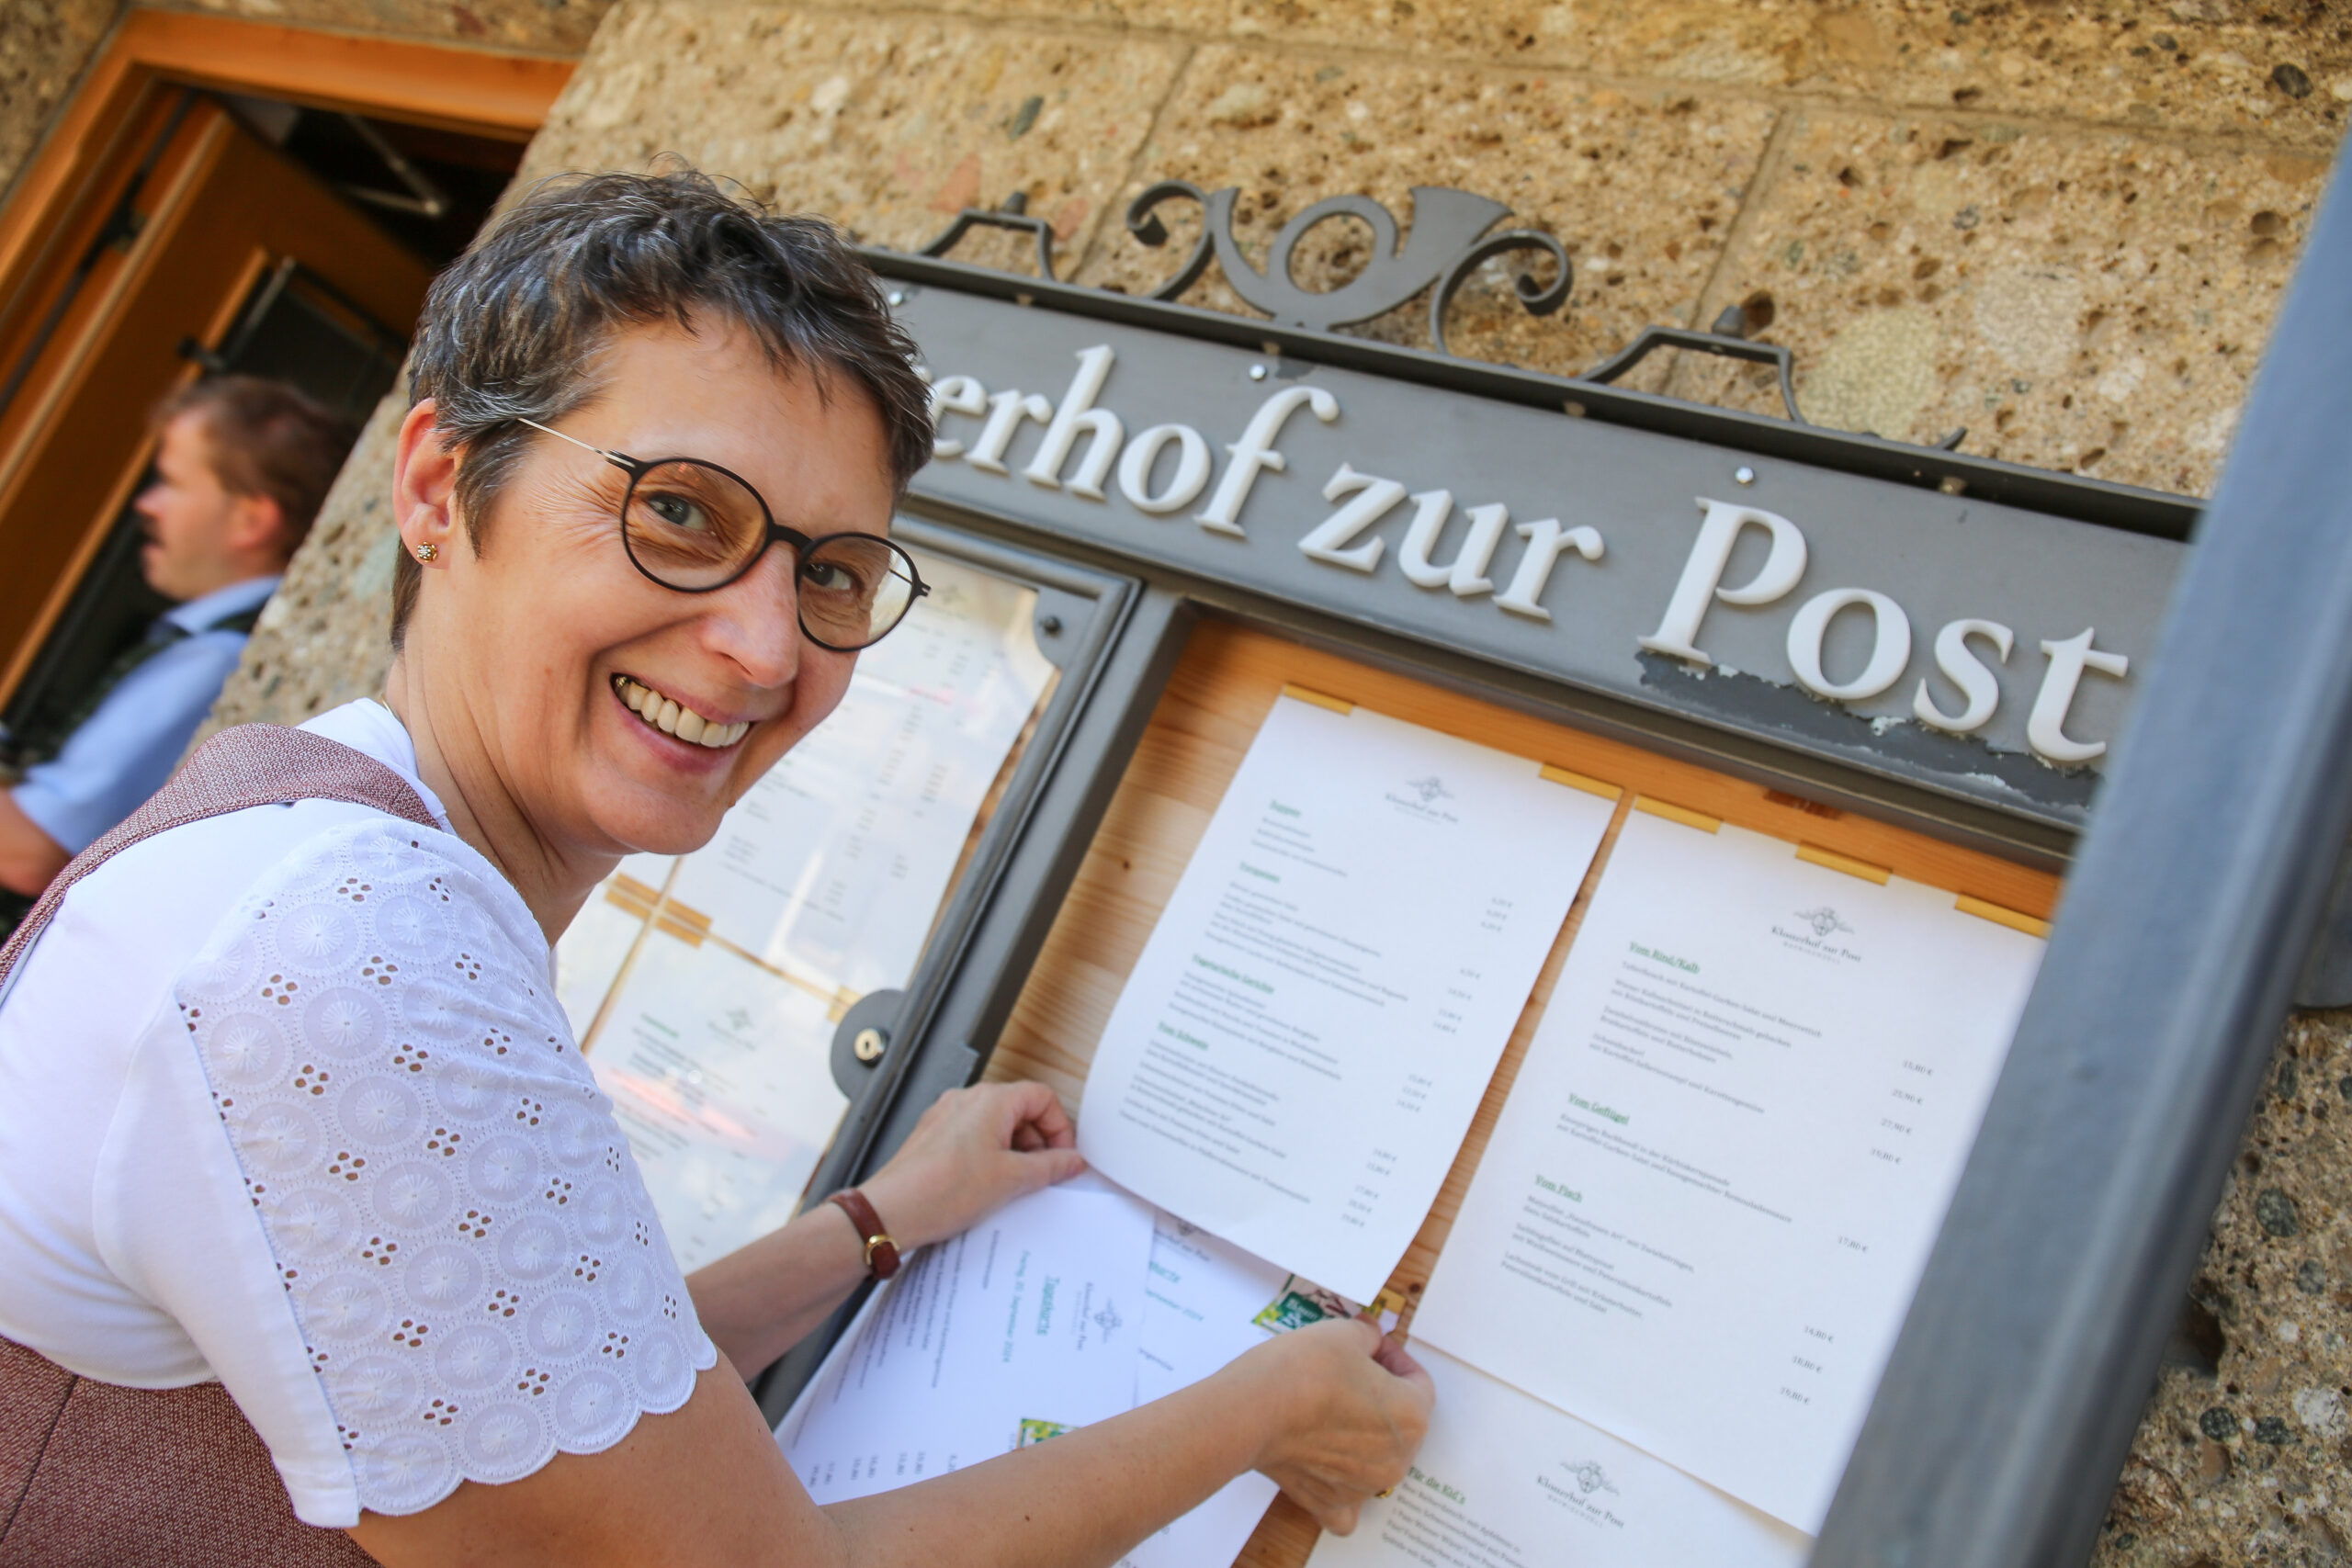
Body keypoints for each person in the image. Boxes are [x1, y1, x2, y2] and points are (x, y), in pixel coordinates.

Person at [0, 169, 1430, 1567]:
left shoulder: (312, 840)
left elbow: (544, 1401)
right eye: (681, 510)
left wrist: (877, 1222)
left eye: (832, 573)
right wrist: (1273, 1402)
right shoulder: (347, 945)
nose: (766, 645)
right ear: (441, 486)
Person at [0, 376, 346, 898]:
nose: (148, 504)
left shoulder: (217, 658)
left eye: (170, 482)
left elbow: (33, 853)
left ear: (250, 520)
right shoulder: (221, 642)